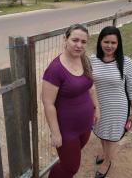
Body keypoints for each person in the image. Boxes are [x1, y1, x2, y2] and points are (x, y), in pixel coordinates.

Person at [42, 24, 99, 178]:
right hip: (67, 130)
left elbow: (91, 87)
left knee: (69, 161)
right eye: (75, 40)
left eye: (83, 42)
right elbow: (48, 104)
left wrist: (96, 108)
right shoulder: (55, 69)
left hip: (85, 124)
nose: (79, 45)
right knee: (70, 168)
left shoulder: (85, 60)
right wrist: (55, 133)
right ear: (65, 39)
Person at [90, 26, 132, 178]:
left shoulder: (126, 62)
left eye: (113, 43)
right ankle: (105, 154)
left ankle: (107, 162)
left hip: (118, 108)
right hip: (99, 106)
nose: (109, 46)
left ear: (118, 44)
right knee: (102, 134)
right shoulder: (92, 60)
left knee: (111, 136)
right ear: (100, 42)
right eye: (106, 42)